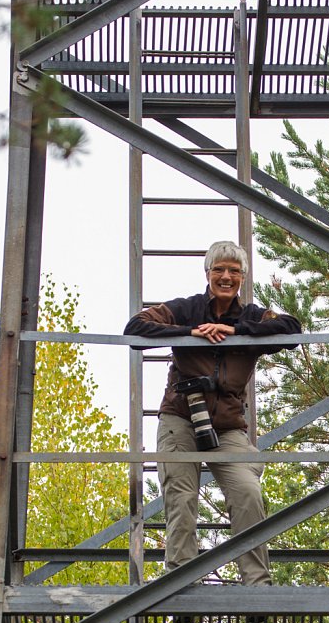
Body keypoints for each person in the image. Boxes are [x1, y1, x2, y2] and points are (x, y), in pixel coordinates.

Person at [124, 240, 301, 585]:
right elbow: (136, 329)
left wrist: (237, 331)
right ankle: (181, 582)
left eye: (234, 271)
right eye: (219, 269)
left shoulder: (251, 316)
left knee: (247, 492)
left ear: (242, 279)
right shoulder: (187, 309)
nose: (226, 276)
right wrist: (191, 333)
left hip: (228, 424)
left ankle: (257, 585)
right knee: (181, 496)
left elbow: (292, 330)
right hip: (181, 416)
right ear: (207, 274)